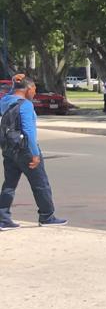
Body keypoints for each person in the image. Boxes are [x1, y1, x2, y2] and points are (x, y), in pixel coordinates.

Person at [0, 74, 67, 228]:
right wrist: (35, 154)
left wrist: (13, 84)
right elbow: (29, 132)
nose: (35, 92)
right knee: (40, 184)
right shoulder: (26, 105)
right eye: (34, 89)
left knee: (9, 184)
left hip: (10, 149)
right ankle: (47, 216)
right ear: (28, 88)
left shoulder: (5, 101)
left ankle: (3, 218)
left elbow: (13, 92)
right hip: (26, 150)